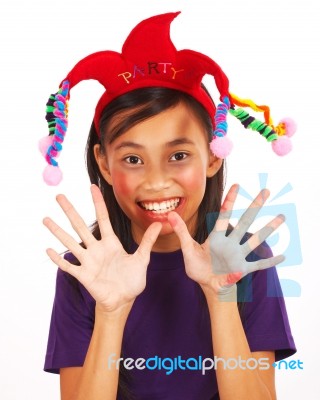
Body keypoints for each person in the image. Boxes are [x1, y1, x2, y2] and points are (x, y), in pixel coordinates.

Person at [41, 12, 296, 400]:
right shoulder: (85, 271)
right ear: (105, 164)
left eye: (178, 155)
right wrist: (111, 312)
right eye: (132, 159)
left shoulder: (245, 260)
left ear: (212, 157)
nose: (157, 181)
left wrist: (220, 295)